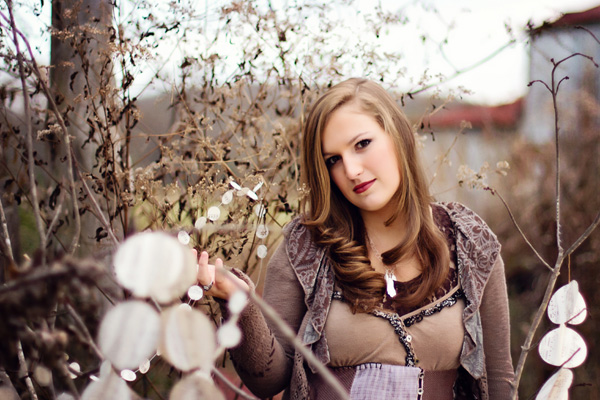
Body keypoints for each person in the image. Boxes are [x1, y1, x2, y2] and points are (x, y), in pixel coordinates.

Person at [196, 78, 515, 399]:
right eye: (333, 160)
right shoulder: (307, 246)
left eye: (362, 144)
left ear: (397, 136)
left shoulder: (469, 242)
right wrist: (238, 304)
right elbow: (268, 380)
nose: (350, 170)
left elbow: (499, 381)